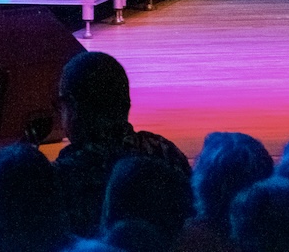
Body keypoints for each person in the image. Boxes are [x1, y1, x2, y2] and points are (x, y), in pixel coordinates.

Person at [52, 51, 191, 237]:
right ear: (126, 104)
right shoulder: (166, 153)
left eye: (61, 106)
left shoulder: (63, 176)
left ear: (73, 108)